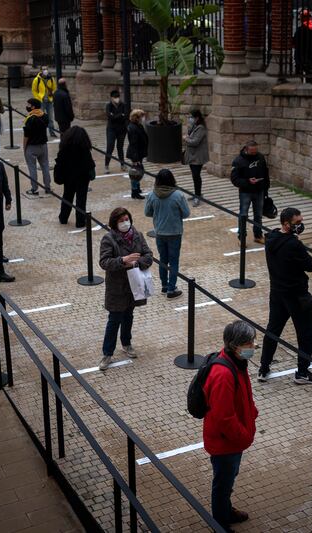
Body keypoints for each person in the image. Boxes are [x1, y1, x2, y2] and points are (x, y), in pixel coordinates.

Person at [203, 320, 258, 532]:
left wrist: (251, 413)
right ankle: (221, 523)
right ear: (236, 346)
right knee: (223, 484)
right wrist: (243, 435)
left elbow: (243, 394)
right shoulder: (223, 374)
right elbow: (224, 417)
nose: (253, 346)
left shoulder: (235, 361)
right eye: (249, 343)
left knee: (228, 479)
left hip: (232, 440)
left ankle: (226, 510)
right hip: (227, 442)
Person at [258, 207, 312, 385]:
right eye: (297, 223)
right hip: (296, 295)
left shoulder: (270, 237)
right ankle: (302, 372)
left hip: (277, 292)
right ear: (286, 224)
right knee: (306, 332)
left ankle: (263, 368)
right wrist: (298, 243)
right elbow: (311, 265)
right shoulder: (294, 244)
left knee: (273, 330)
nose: (300, 225)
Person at [98, 207, 153, 370]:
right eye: (121, 221)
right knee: (114, 320)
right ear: (115, 223)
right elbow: (104, 262)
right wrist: (123, 260)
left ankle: (126, 343)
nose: (125, 223)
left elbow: (148, 255)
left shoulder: (138, 235)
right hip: (117, 287)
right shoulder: (108, 239)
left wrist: (136, 262)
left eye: (126, 219)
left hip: (134, 286)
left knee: (129, 315)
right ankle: (107, 353)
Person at [144, 169, 190, 299]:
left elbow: (147, 212)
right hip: (175, 232)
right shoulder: (178, 195)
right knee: (174, 261)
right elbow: (186, 213)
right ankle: (171, 289)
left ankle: (164, 286)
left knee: (163, 260)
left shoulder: (152, 195)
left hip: (160, 232)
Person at [230, 140, 269, 245]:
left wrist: (266, 189)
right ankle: (241, 238)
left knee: (258, 215)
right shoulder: (238, 161)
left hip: (259, 191)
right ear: (246, 149)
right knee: (243, 215)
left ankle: (258, 236)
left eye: (256, 151)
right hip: (245, 192)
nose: (254, 153)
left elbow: (266, 173)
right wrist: (247, 181)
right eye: (252, 152)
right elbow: (234, 179)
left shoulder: (260, 157)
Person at [56, 126, 95, 228]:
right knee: (81, 199)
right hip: (82, 177)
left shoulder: (64, 148)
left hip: (68, 177)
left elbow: (59, 162)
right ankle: (80, 221)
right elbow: (90, 163)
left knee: (67, 196)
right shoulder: (84, 149)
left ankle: (63, 217)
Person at [23, 98, 52, 195]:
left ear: (33, 107)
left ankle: (34, 188)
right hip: (43, 145)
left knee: (32, 168)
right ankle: (48, 187)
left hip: (31, 146)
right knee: (45, 167)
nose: (27, 106)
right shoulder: (45, 116)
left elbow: (26, 136)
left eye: (28, 105)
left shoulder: (30, 119)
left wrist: (24, 148)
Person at [183, 109, 208, 206]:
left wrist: (186, 139)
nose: (189, 119)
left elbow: (195, 142)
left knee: (196, 176)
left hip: (197, 157)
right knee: (194, 176)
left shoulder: (201, 128)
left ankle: (198, 196)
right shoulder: (194, 126)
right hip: (192, 156)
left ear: (197, 118)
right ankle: (197, 194)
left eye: (191, 117)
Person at [126, 109, 148, 200]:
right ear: (137, 118)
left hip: (139, 153)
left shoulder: (138, 126)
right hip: (136, 154)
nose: (143, 118)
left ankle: (137, 189)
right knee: (135, 172)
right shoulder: (133, 128)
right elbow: (133, 143)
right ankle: (134, 192)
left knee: (137, 171)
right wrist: (135, 159)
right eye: (142, 116)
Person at [31, 66, 57, 137]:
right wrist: (38, 98)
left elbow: (54, 88)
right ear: (41, 71)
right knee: (41, 118)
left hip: (49, 101)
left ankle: (52, 132)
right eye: (43, 69)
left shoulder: (51, 79)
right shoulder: (37, 79)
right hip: (41, 101)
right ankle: (41, 132)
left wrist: (52, 93)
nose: (45, 70)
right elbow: (34, 90)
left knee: (50, 118)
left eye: (46, 69)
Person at [106, 89, 128, 170]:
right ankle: (106, 165)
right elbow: (110, 117)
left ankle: (122, 164)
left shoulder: (123, 105)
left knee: (120, 147)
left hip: (121, 129)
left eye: (118, 97)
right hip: (111, 129)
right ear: (111, 98)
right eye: (115, 97)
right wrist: (120, 115)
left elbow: (125, 116)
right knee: (110, 146)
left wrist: (115, 116)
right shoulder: (109, 106)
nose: (117, 98)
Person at [293, 9, 312, 84]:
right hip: (309, 55)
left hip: (300, 55)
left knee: (299, 77)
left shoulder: (300, 30)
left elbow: (295, 42)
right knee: (310, 77)